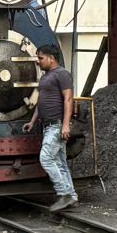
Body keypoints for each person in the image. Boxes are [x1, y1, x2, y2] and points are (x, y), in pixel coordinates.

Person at [23, 43, 77, 211]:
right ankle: (72, 196)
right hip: (48, 125)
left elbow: (68, 99)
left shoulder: (62, 74)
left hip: (57, 124)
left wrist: (65, 125)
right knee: (60, 162)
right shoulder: (46, 76)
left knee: (46, 158)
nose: (37, 61)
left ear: (51, 58)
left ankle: (63, 194)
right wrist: (32, 122)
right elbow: (41, 102)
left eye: (40, 58)